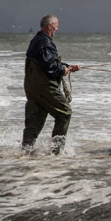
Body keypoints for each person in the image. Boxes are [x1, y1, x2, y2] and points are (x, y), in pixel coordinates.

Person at [22, 14, 81, 154]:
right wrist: (63, 70)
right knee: (65, 113)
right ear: (49, 26)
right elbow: (50, 67)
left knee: (35, 122)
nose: (57, 29)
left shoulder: (37, 40)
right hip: (44, 87)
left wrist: (68, 67)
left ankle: (25, 153)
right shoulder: (46, 42)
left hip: (32, 87)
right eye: (56, 26)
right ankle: (56, 152)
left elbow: (45, 62)